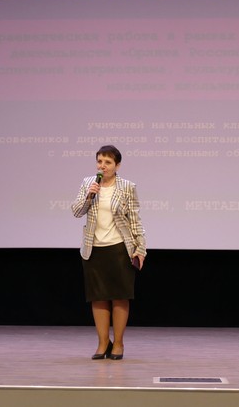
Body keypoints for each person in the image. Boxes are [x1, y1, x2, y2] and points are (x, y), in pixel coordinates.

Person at [71, 145, 146, 360]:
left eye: (108, 162)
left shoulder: (127, 187)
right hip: (93, 249)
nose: (102, 166)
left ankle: (118, 343)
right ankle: (103, 343)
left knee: (120, 297)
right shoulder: (88, 183)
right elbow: (76, 212)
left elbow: (135, 219)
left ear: (117, 166)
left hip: (120, 248)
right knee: (98, 298)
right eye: (100, 161)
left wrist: (141, 248)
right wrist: (89, 196)